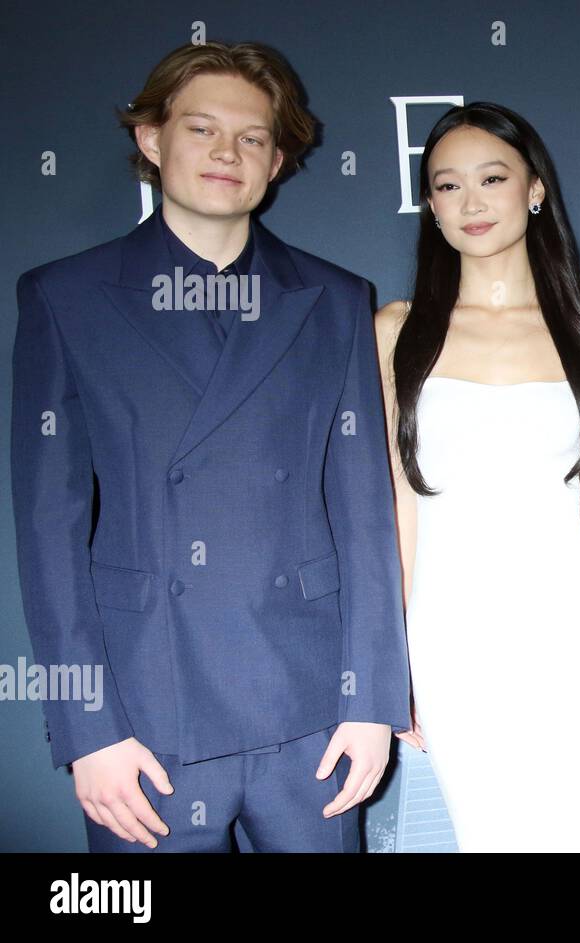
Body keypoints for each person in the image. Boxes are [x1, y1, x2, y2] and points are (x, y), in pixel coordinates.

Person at [10, 41, 411, 851]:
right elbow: (48, 533)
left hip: (311, 713)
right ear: (153, 142)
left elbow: (366, 513)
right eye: (201, 129)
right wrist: (87, 727)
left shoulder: (334, 300)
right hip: (144, 719)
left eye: (253, 137)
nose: (228, 153)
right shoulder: (66, 296)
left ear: (277, 162)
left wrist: (372, 699)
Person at [375, 102, 580, 852]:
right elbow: (400, 505)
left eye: (492, 178)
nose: (471, 202)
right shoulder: (395, 331)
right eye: (447, 185)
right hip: (453, 632)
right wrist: (388, 659)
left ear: (534, 190)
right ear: (429, 206)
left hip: (574, 627)